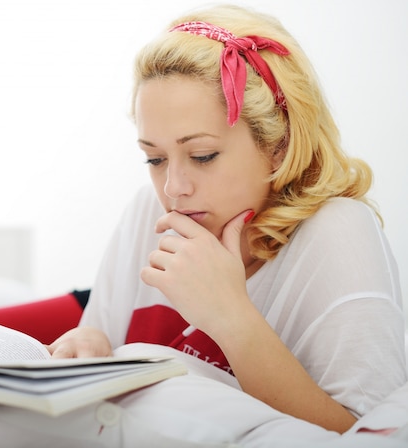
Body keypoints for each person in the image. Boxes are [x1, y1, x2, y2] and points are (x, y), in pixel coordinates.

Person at [47, 4, 407, 434]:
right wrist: (90, 343)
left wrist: (232, 317)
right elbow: (100, 341)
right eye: (154, 158)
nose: (173, 187)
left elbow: (364, 435)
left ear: (279, 144)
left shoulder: (339, 235)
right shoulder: (147, 211)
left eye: (203, 156)